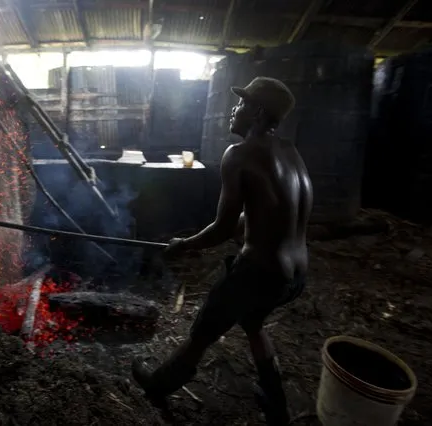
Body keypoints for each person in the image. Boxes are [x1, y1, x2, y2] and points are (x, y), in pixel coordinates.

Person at [131, 77, 313, 426]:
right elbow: (285, 212)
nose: (234, 108)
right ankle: (277, 405)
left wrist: (183, 245)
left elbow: (222, 229)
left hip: (258, 274)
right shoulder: (291, 151)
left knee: (202, 331)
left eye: (242, 103)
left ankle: (158, 386)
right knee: (253, 322)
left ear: (258, 112)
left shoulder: (239, 154)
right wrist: (251, 225)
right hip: (296, 276)